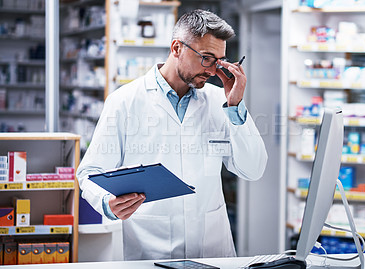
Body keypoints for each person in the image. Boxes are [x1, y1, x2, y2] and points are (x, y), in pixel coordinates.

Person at [77, 9, 267, 260]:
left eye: (219, 61)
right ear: (177, 47)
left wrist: (235, 107)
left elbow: (252, 169)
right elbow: (89, 173)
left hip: (212, 251)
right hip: (150, 249)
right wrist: (107, 203)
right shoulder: (124, 101)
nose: (212, 71)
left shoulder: (219, 101)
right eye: (206, 58)